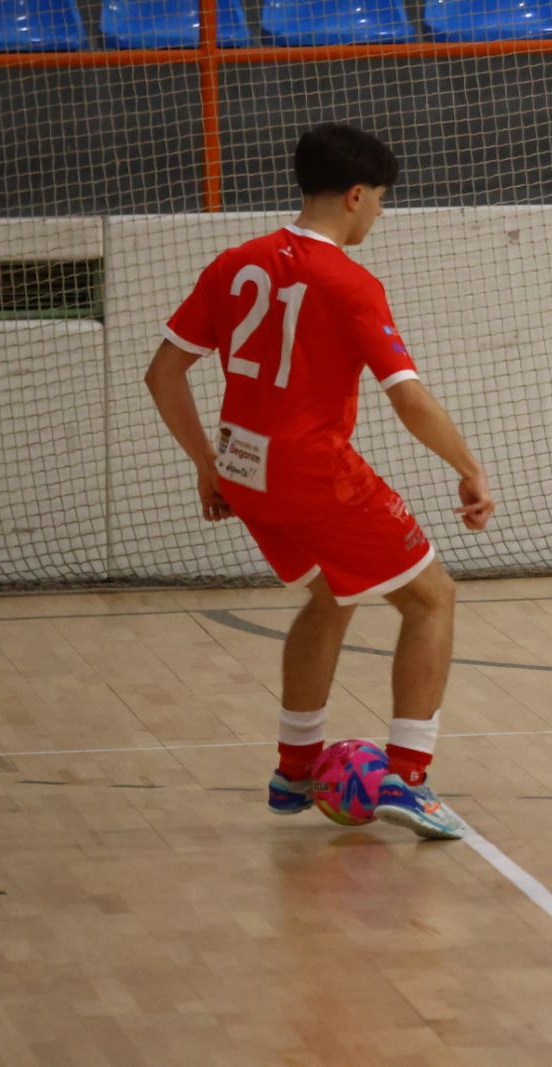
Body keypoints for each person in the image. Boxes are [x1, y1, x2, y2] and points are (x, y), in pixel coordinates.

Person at [144, 123, 494, 838]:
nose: (380, 216)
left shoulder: (235, 262)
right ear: (357, 196)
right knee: (432, 598)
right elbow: (408, 397)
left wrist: (207, 466)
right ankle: (407, 776)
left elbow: (163, 373)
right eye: (381, 202)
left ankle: (294, 769)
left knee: (331, 597)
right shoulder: (348, 281)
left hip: (244, 468)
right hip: (314, 471)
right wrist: (469, 468)